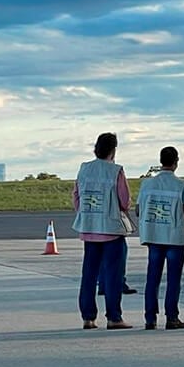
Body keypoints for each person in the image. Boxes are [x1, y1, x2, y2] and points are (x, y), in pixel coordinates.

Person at [72, 132, 133, 329]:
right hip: (111, 229)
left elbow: (76, 196)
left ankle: (88, 317)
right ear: (113, 150)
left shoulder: (84, 168)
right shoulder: (116, 171)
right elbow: (125, 201)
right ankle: (114, 317)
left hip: (89, 228)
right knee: (113, 275)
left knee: (89, 274)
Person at [136, 146, 184, 330]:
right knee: (173, 280)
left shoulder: (146, 184)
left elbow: (138, 210)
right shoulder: (182, 185)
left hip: (154, 235)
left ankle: (150, 318)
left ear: (161, 161)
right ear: (176, 162)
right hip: (174, 236)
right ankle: (172, 317)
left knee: (152, 278)